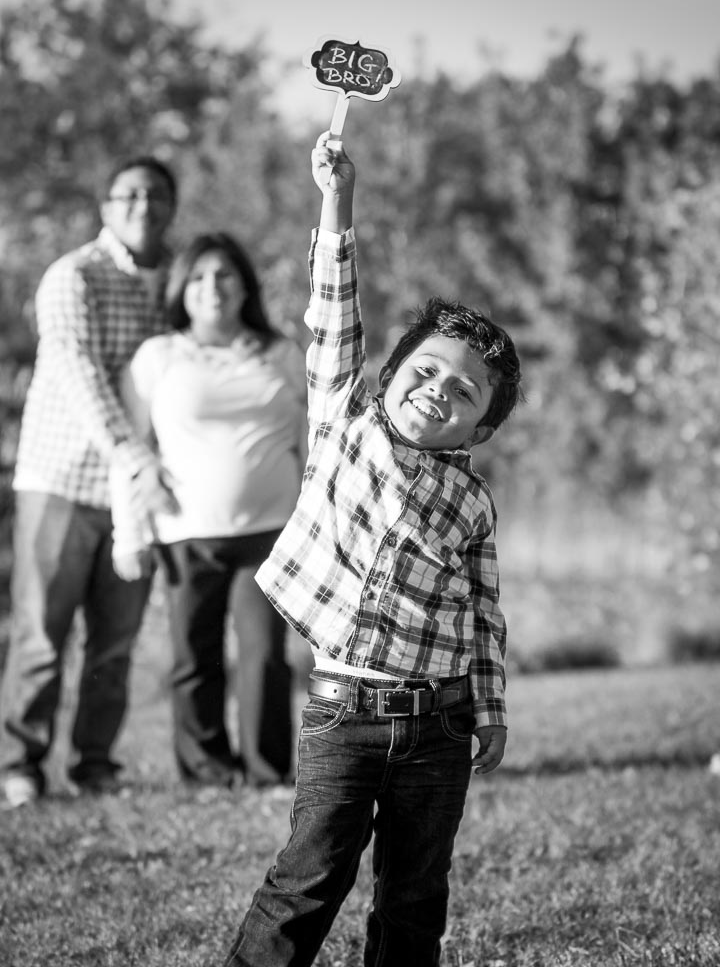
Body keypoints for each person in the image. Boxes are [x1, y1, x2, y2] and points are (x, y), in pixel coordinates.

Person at [220, 133, 522, 967]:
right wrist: (336, 203)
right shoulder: (343, 424)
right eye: (424, 372)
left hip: (440, 724)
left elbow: (482, 613)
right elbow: (331, 312)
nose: (438, 392)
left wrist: (488, 711)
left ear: (482, 427)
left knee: (415, 896)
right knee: (308, 879)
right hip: (342, 716)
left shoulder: (471, 500)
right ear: (386, 377)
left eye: (463, 392)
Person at [0, 156, 178, 809]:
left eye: (156, 194)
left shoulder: (179, 282)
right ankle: (20, 765)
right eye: (127, 193)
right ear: (105, 206)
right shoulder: (72, 275)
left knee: (116, 640)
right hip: (62, 480)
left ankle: (95, 765)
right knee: (42, 635)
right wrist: (134, 457)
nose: (142, 204)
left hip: (142, 497)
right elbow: (78, 374)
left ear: (171, 207)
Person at [111, 232, 308, 789]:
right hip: (184, 534)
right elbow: (131, 447)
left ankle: (268, 773)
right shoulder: (158, 357)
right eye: (198, 277)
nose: (211, 287)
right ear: (181, 290)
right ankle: (206, 773)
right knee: (193, 659)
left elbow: (310, 439)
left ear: (245, 285)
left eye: (224, 275)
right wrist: (129, 535)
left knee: (265, 656)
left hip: (272, 533)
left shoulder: (282, 353)